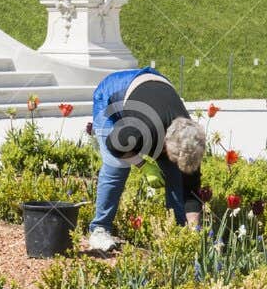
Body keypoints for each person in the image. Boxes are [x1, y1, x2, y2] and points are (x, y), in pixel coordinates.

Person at [86, 68, 206, 252]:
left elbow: (191, 191)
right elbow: (113, 145)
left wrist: (193, 230)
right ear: (166, 144)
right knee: (118, 166)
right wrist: (143, 165)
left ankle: (177, 231)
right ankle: (100, 229)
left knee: (177, 174)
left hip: (153, 89)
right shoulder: (141, 129)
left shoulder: (191, 141)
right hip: (111, 95)